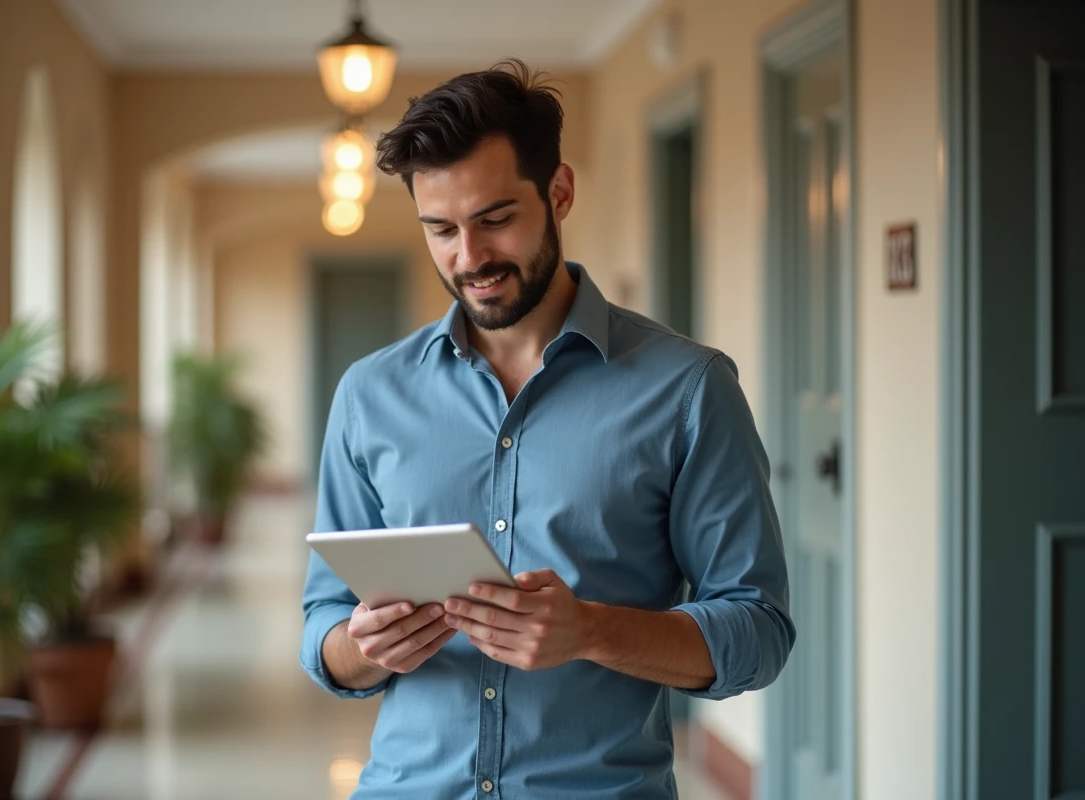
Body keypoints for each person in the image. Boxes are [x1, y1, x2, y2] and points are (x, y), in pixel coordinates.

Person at [300, 59, 794, 799]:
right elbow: (324, 626)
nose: (469, 258)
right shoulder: (369, 395)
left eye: (495, 219)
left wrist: (591, 630)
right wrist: (363, 647)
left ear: (559, 192)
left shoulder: (688, 389)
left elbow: (758, 630)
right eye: (441, 230)